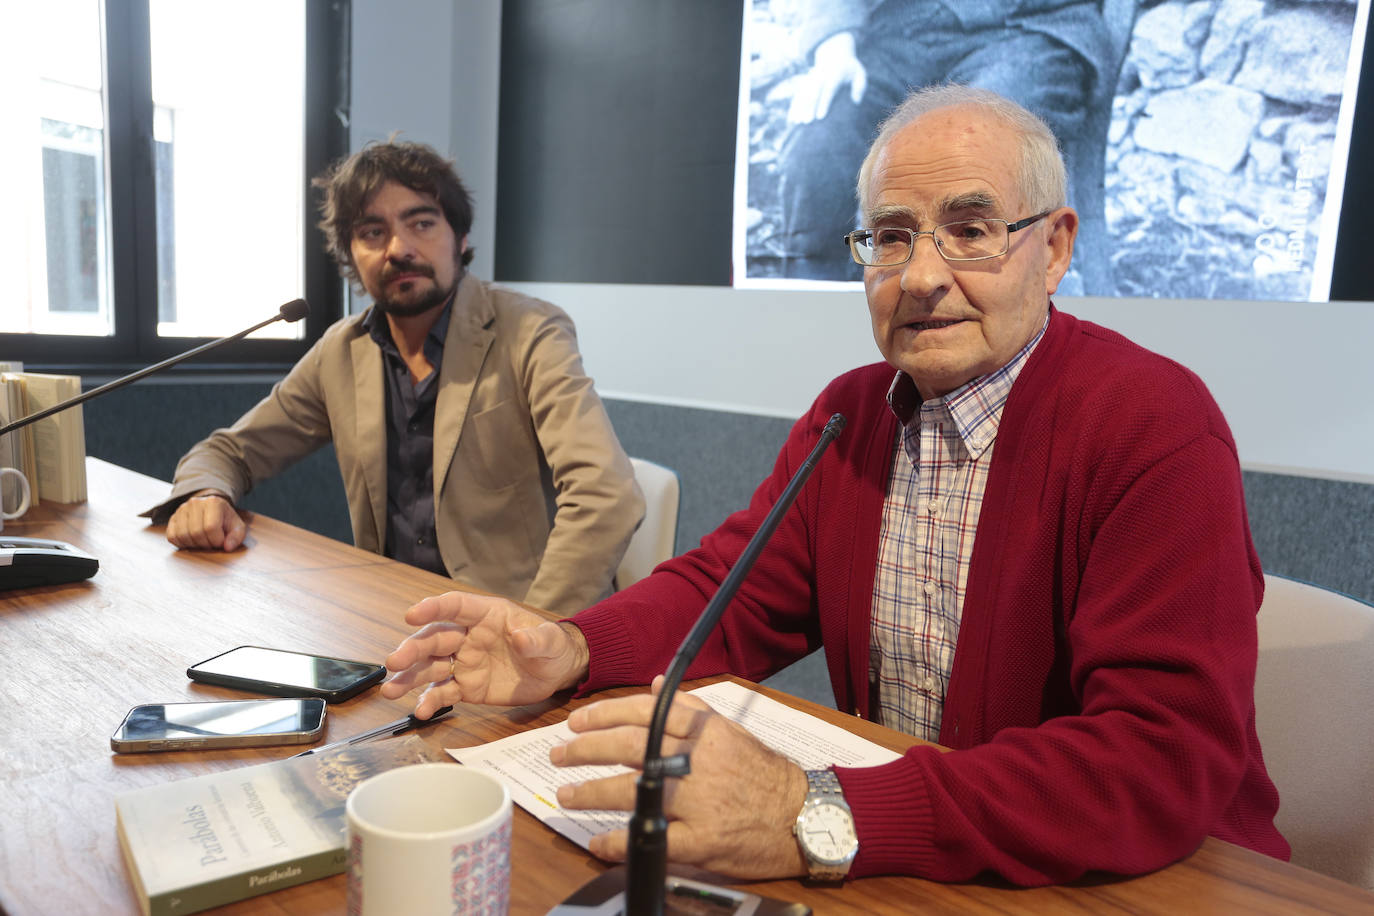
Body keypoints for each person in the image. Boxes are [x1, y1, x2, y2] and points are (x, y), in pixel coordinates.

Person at [381, 86, 1289, 884]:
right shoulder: (850, 415)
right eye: (892, 238)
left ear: (1052, 250)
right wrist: (569, 650)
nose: (924, 276)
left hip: (1150, 881)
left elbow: (1158, 763)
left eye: (970, 231)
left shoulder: (1154, 425)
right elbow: (726, 595)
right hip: (932, 868)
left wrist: (814, 808)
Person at [144, 141, 644, 615]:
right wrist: (207, 495)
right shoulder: (341, 353)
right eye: (372, 232)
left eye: (421, 223)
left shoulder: (529, 330)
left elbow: (606, 494)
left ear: (461, 238)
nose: (398, 248)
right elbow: (229, 452)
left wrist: (534, 632)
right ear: (351, 255)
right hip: (395, 621)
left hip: (518, 621)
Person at [764, 0, 1130, 294]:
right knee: (818, 148)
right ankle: (815, 308)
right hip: (899, 31)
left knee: (979, 155)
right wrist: (834, 45)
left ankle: (973, 345)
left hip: (1029, 28)